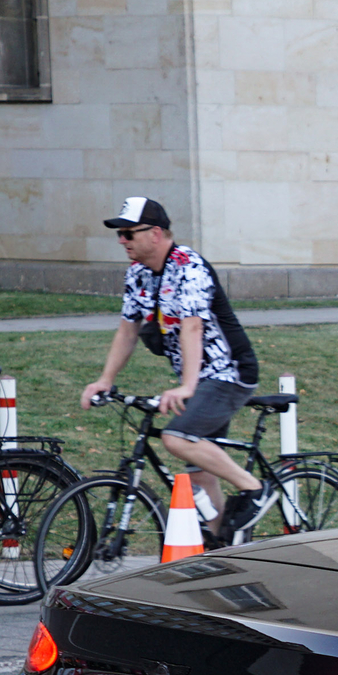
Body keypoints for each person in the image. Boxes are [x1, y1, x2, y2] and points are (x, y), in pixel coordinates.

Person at [80, 196, 271, 541]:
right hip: (200, 376)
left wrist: (186, 386)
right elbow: (128, 330)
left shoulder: (189, 266)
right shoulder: (138, 274)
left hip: (230, 372)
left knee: (176, 437)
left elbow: (192, 326)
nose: (122, 241)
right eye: (119, 235)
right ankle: (224, 551)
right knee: (199, 475)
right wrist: (105, 380)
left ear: (155, 233)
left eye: (127, 233)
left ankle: (253, 488)